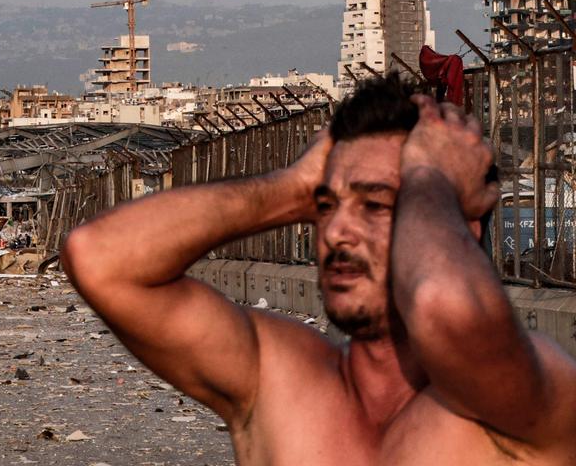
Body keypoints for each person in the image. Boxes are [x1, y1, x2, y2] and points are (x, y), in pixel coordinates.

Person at [62, 74, 576, 464]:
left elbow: (443, 306)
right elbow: (98, 257)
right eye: (325, 208)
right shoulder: (280, 380)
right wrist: (298, 184)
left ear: (460, 226)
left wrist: (429, 175)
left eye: (377, 205)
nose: (336, 233)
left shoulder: (522, 399)